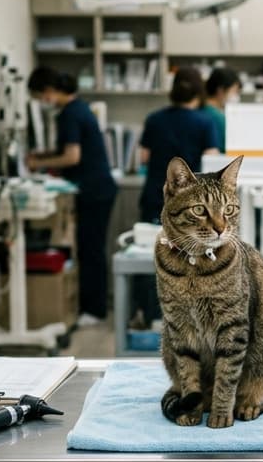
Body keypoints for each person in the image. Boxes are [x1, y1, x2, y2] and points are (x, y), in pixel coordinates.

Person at [28, 67, 119, 327]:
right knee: (92, 248)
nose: (40, 102)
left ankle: (95, 309)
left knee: (91, 249)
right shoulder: (78, 108)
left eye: (38, 96)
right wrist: (43, 158)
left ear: (48, 91)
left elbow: (72, 157)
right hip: (97, 187)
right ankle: (92, 306)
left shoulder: (69, 114)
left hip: (94, 190)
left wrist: (38, 163)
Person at [137, 66, 220, 223]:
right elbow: (212, 162)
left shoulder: (154, 119)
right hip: (191, 204)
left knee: (154, 244)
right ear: (198, 92)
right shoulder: (205, 122)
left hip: (156, 197)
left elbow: (144, 157)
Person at [202, 66, 241, 153]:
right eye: (234, 91)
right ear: (220, 90)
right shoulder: (218, 118)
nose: (236, 96)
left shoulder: (199, 109)